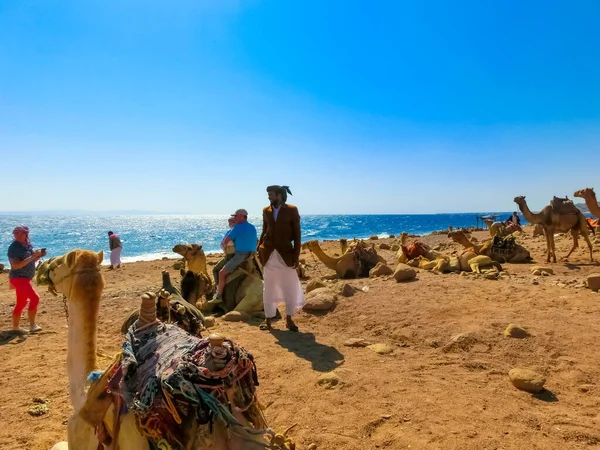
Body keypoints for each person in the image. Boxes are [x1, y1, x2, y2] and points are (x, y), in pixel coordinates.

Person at [257, 185, 304, 332]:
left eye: (271, 195)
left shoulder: (292, 210)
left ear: (279, 195)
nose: (269, 197)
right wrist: (259, 249)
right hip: (269, 254)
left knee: (289, 288)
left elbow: (297, 235)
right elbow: (264, 230)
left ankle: (289, 320)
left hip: (286, 255)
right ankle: (268, 319)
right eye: (268, 195)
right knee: (268, 288)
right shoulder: (266, 210)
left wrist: (296, 256)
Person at [212, 209, 258, 302]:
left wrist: (226, 248)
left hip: (240, 255)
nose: (234, 218)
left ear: (242, 216)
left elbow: (225, 242)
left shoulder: (237, 228)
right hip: (253, 255)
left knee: (221, 273)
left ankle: (219, 295)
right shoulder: (252, 227)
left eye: (236, 216)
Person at [7, 226, 46, 334]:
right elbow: (15, 266)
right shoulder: (14, 248)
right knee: (35, 298)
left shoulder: (27, 246)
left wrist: (38, 256)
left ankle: (15, 327)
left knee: (21, 302)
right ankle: (32, 325)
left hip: (25, 278)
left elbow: (29, 261)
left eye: (20, 233)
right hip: (18, 278)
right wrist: (33, 257)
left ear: (26, 234)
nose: (18, 235)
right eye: (16, 233)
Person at [212, 217, 236, 290]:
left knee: (215, 270)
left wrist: (225, 249)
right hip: (241, 254)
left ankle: (218, 288)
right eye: (229, 222)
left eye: (231, 222)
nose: (229, 224)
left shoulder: (231, 232)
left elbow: (223, 243)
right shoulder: (240, 231)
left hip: (230, 256)